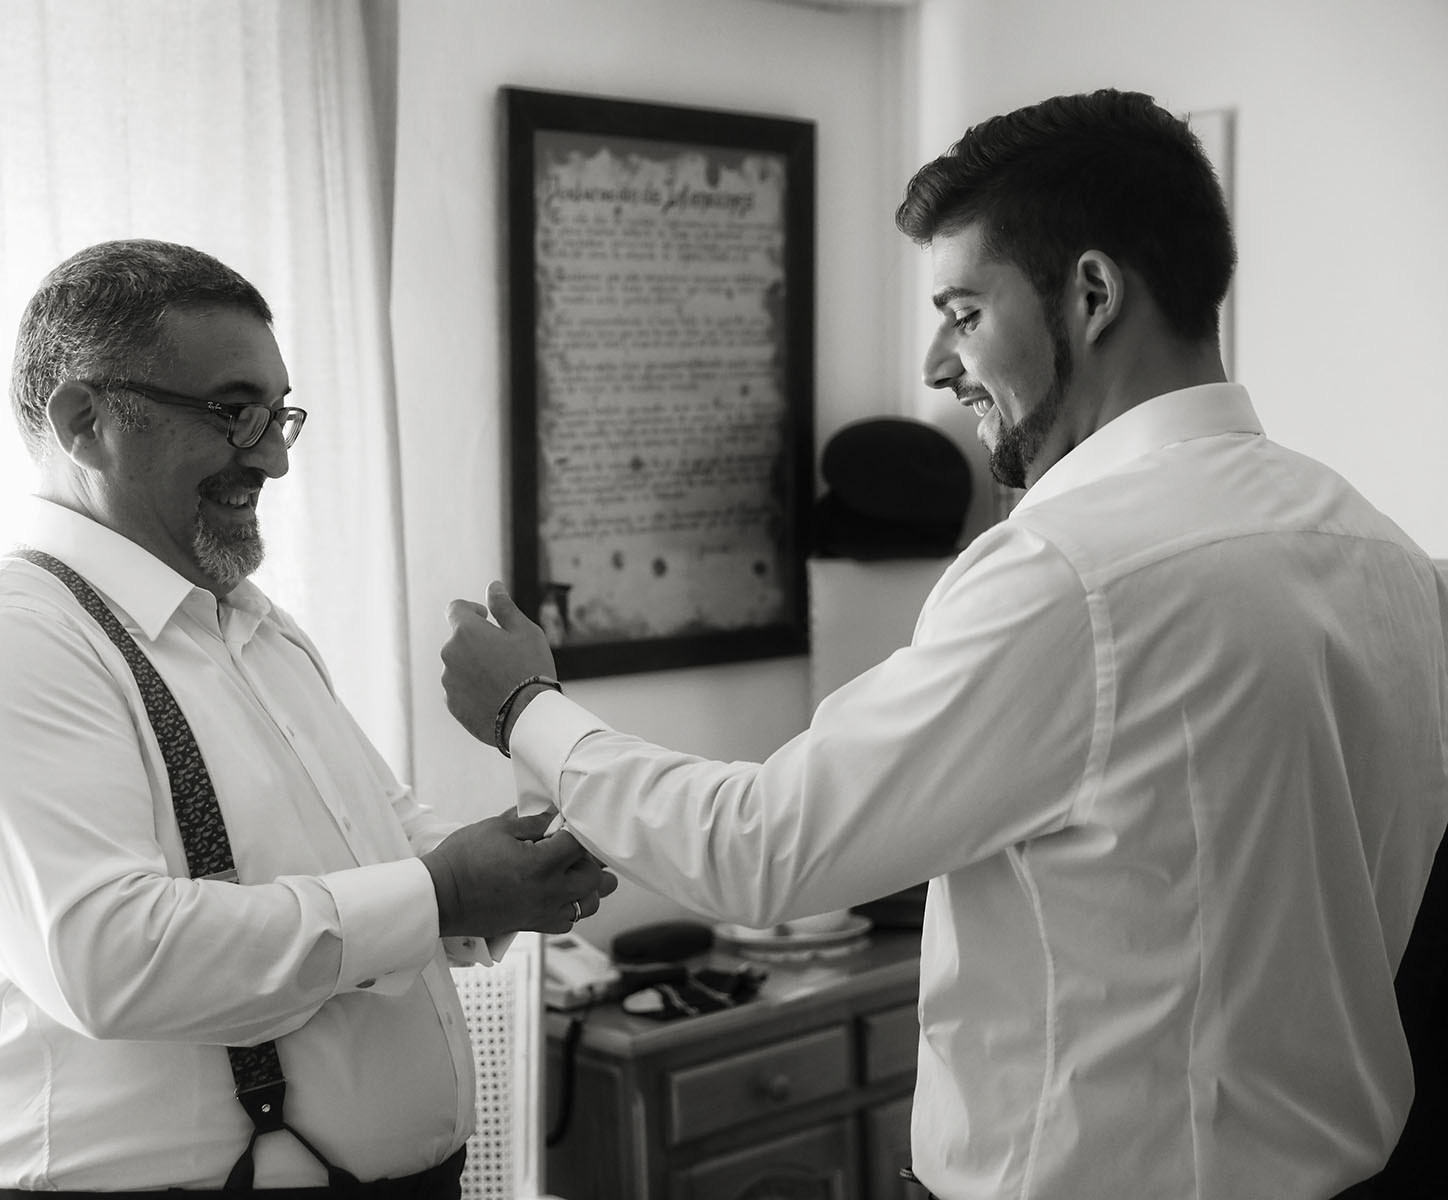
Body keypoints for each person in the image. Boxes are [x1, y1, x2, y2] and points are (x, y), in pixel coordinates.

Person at [440, 90, 1448, 1199]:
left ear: (1093, 294)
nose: (934, 365)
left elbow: (759, 850)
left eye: (963, 313)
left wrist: (525, 710)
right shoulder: (1387, 553)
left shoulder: (1069, 574)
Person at [0, 238, 614, 1199]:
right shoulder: (2, 645)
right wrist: (442, 895)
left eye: (279, 413)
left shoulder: (252, 624)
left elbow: (377, 839)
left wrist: (526, 859)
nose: (272, 457)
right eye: (234, 413)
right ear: (85, 421)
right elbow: (114, 959)